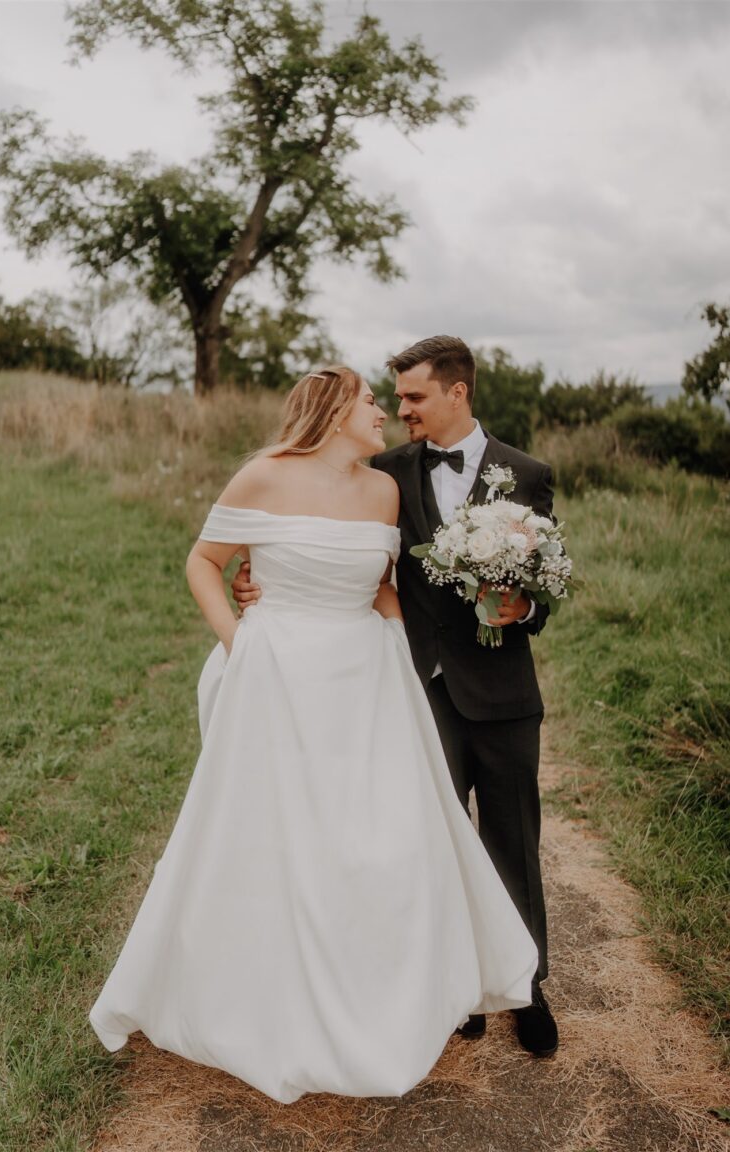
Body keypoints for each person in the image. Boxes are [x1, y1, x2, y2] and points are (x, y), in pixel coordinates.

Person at [89, 365, 538, 1105]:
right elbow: (204, 563)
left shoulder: (384, 490)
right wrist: (241, 643)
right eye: (371, 401)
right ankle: (268, 994)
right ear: (333, 410)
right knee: (280, 835)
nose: (383, 413)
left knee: (378, 833)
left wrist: (399, 661)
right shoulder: (262, 476)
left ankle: (381, 989)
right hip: (277, 674)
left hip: (364, 674)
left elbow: (387, 587)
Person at [233, 337, 559, 1058]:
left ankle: (527, 988)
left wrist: (524, 612)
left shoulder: (526, 473)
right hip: (413, 684)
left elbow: (547, 581)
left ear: (457, 393)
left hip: (503, 691)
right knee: (425, 842)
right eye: (397, 398)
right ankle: (452, 988)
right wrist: (258, 586)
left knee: (514, 841)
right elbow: (323, 538)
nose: (403, 408)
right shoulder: (382, 471)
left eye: (413, 397)